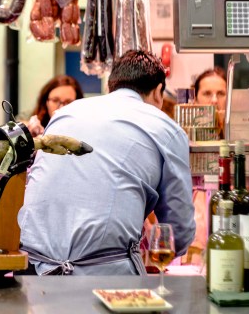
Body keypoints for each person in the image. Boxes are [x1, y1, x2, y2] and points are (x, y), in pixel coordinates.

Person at [18, 50, 196, 275]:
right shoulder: (167, 129)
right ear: (159, 91)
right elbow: (177, 232)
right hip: (104, 278)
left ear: (111, 86)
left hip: (31, 269)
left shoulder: (65, 114)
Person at [193, 67, 228, 131]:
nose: (214, 100)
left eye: (220, 94)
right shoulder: (184, 137)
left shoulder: (241, 135)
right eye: (207, 94)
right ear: (195, 101)